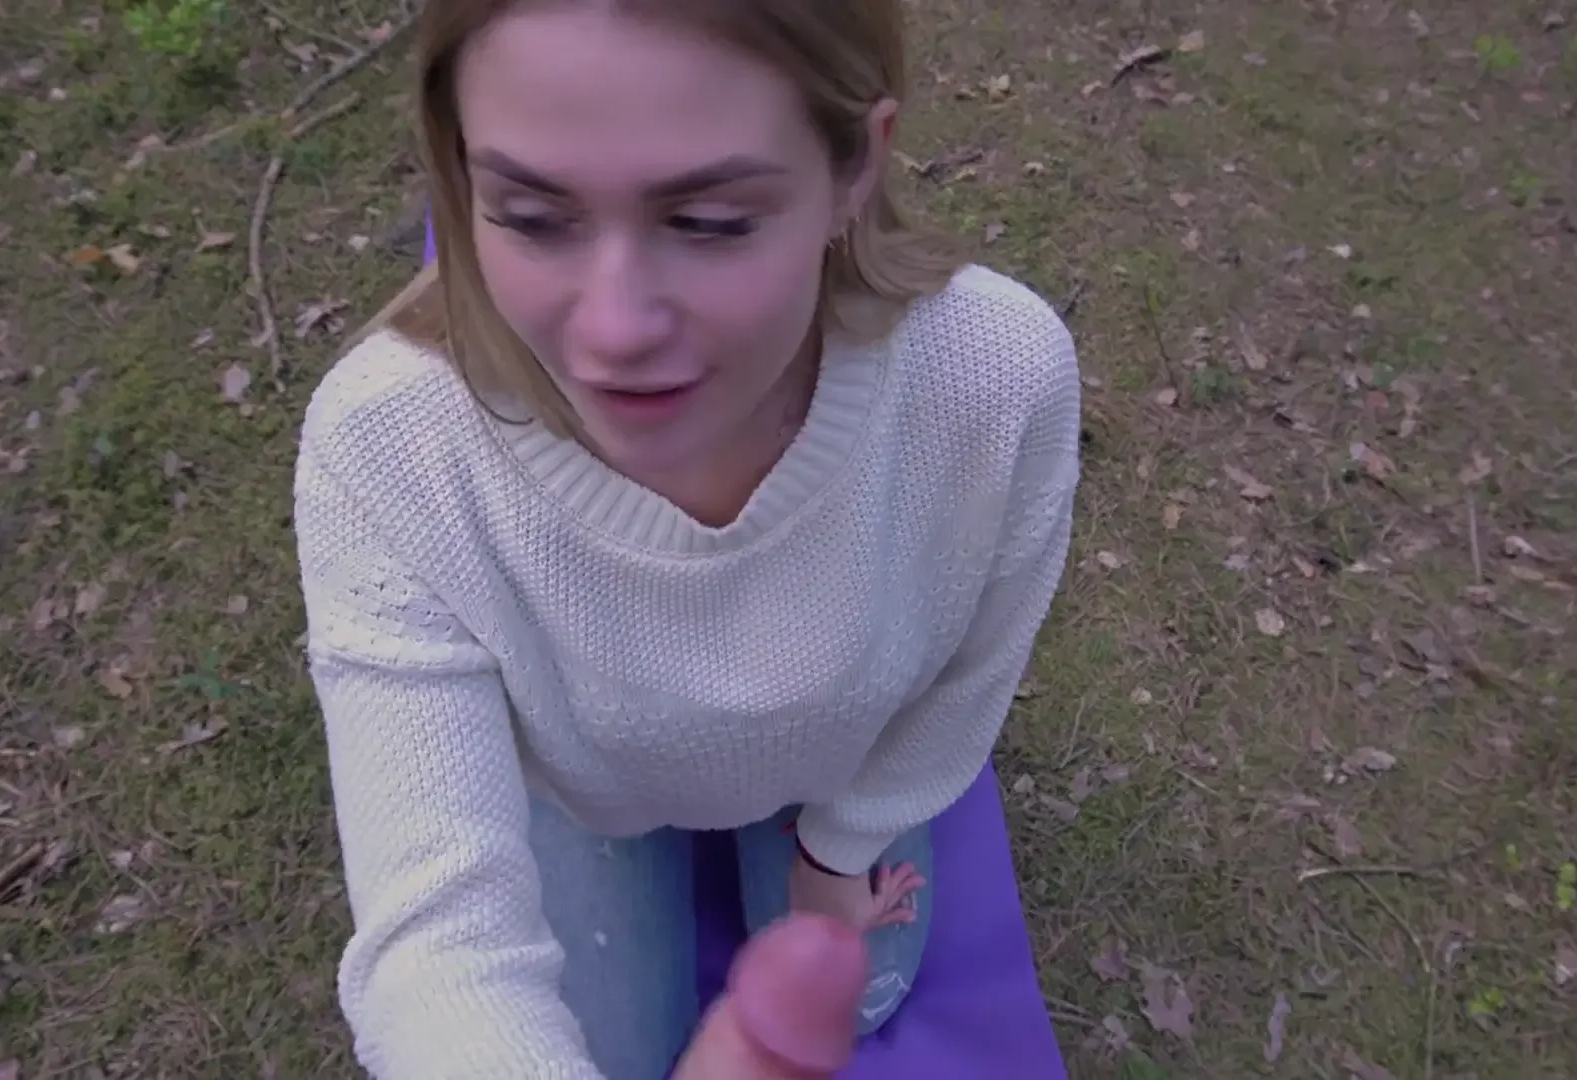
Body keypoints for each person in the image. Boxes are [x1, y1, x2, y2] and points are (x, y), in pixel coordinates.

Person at [291, 0, 1082, 1075]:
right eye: (532, 215)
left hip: (832, 778)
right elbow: (438, 952)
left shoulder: (990, 382)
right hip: (585, 798)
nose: (615, 331)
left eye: (709, 221)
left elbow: (967, 676)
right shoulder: (390, 445)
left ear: (855, 164)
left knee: (854, 1007)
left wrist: (841, 847)